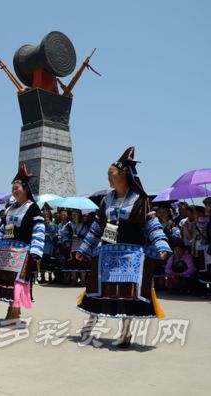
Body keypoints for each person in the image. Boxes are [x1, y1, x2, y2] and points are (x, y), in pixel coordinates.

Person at [76, 147, 171, 348]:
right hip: (107, 253)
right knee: (97, 291)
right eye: (108, 175)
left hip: (131, 255)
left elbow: (151, 224)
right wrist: (83, 249)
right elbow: (97, 228)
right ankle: (88, 328)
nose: (109, 178)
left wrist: (161, 245)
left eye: (111, 174)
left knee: (127, 295)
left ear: (124, 173)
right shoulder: (106, 200)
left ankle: (126, 334)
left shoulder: (140, 199)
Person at [0, 164, 45, 322]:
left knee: (18, 281)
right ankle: (12, 308)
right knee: (8, 280)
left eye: (17, 188)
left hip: (23, 251)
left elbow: (39, 229)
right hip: (6, 250)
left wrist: (36, 250)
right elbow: (3, 230)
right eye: (13, 188)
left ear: (25, 188)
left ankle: (14, 311)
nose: (15, 191)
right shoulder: (10, 209)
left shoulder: (32, 208)